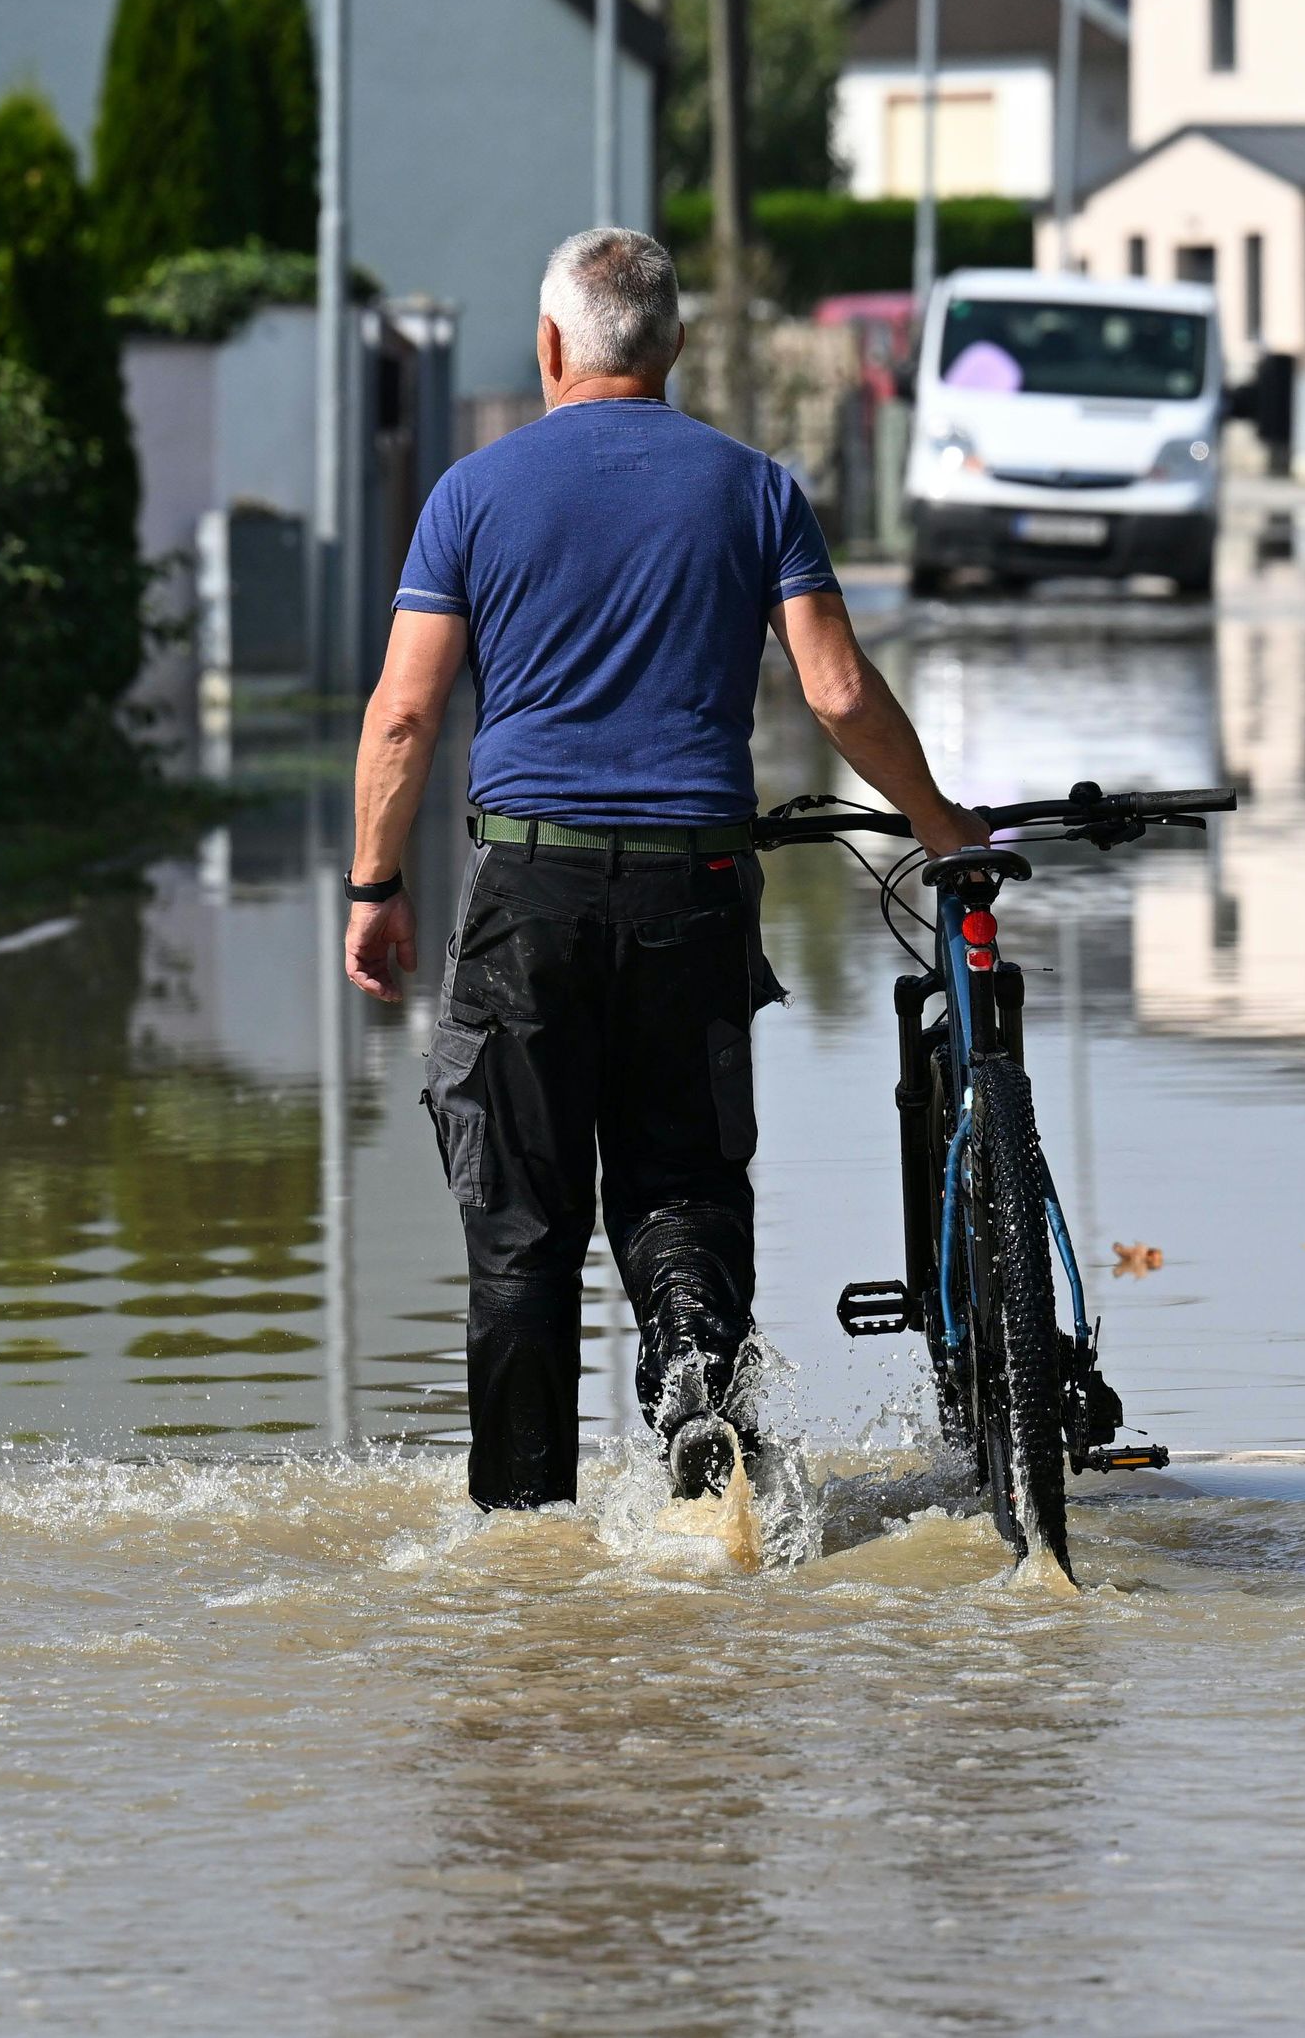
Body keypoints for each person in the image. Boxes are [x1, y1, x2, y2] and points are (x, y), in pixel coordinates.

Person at [344, 227, 985, 1511]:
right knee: (681, 1189)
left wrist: (374, 885)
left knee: (521, 1232)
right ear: (676, 346)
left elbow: (407, 718)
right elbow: (838, 691)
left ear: (547, 347)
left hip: (529, 893)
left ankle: (523, 1537)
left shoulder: (470, 495)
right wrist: (939, 825)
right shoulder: (754, 488)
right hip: (693, 891)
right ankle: (697, 1400)